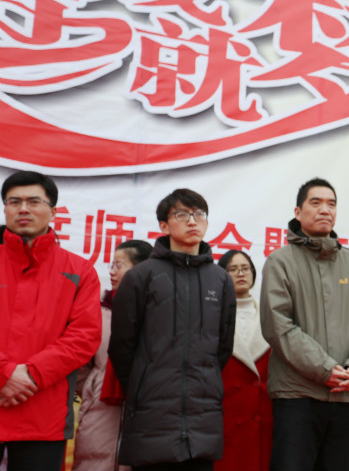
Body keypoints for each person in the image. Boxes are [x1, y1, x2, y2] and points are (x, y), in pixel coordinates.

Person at [108, 188, 236, 471]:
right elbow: (121, 347)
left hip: (203, 414)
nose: (192, 221)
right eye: (182, 214)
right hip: (152, 413)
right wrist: (144, 382)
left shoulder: (220, 280)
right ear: (164, 226)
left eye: (199, 214)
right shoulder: (141, 276)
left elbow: (223, 347)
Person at [261, 178, 349, 471]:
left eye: (331, 204)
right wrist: (325, 370)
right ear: (298, 212)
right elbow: (278, 325)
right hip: (297, 394)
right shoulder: (279, 262)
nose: (325, 210)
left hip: (348, 394)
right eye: (315, 203)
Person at [0, 171, 102, 471]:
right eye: (14, 202)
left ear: (54, 211)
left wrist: (30, 374)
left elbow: (84, 337)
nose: (23, 209)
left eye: (34, 201)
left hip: (43, 412)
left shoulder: (79, 270)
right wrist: (5, 373)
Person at [72, 240, 152, 471]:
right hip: (100, 407)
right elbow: (80, 361)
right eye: (112, 265)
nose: (112, 272)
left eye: (120, 265)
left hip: (145, 408)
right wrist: (94, 386)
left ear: (141, 270)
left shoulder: (158, 311)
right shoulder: (98, 310)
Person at [215, 250, 272, 471]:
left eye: (245, 268)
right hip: (226, 411)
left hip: (263, 412)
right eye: (233, 269)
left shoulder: (271, 316)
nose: (241, 273)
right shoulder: (212, 315)